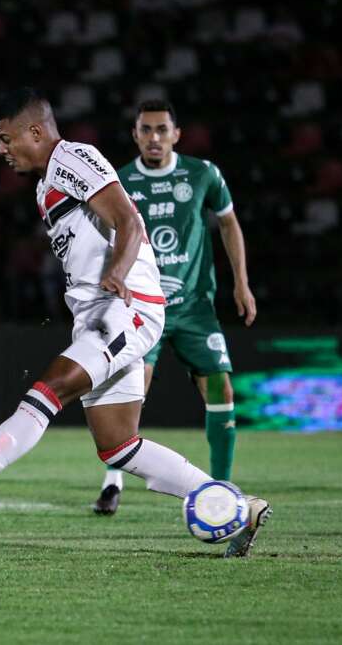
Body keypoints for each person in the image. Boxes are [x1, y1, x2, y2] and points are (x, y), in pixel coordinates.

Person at [0, 88, 270, 558]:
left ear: (36, 132)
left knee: (49, 390)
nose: (1, 150)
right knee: (118, 446)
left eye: (6, 139)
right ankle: (237, 508)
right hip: (101, 315)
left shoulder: (72, 158)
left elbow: (128, 221)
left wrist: (117, 274)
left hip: (126, 308)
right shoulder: (46, 183)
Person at [92, 100, 256, 515]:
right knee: (130, 394)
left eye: (162, 129)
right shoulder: (121, 181)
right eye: (145, 130)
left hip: (195, 307)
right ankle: (112, 485)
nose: (154, 137)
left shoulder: (203, 174)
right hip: (143, 306)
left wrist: (241, 282)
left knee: (220, 387)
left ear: (176, 134)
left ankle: (222, 487)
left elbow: (229, 222)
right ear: (135, 135)